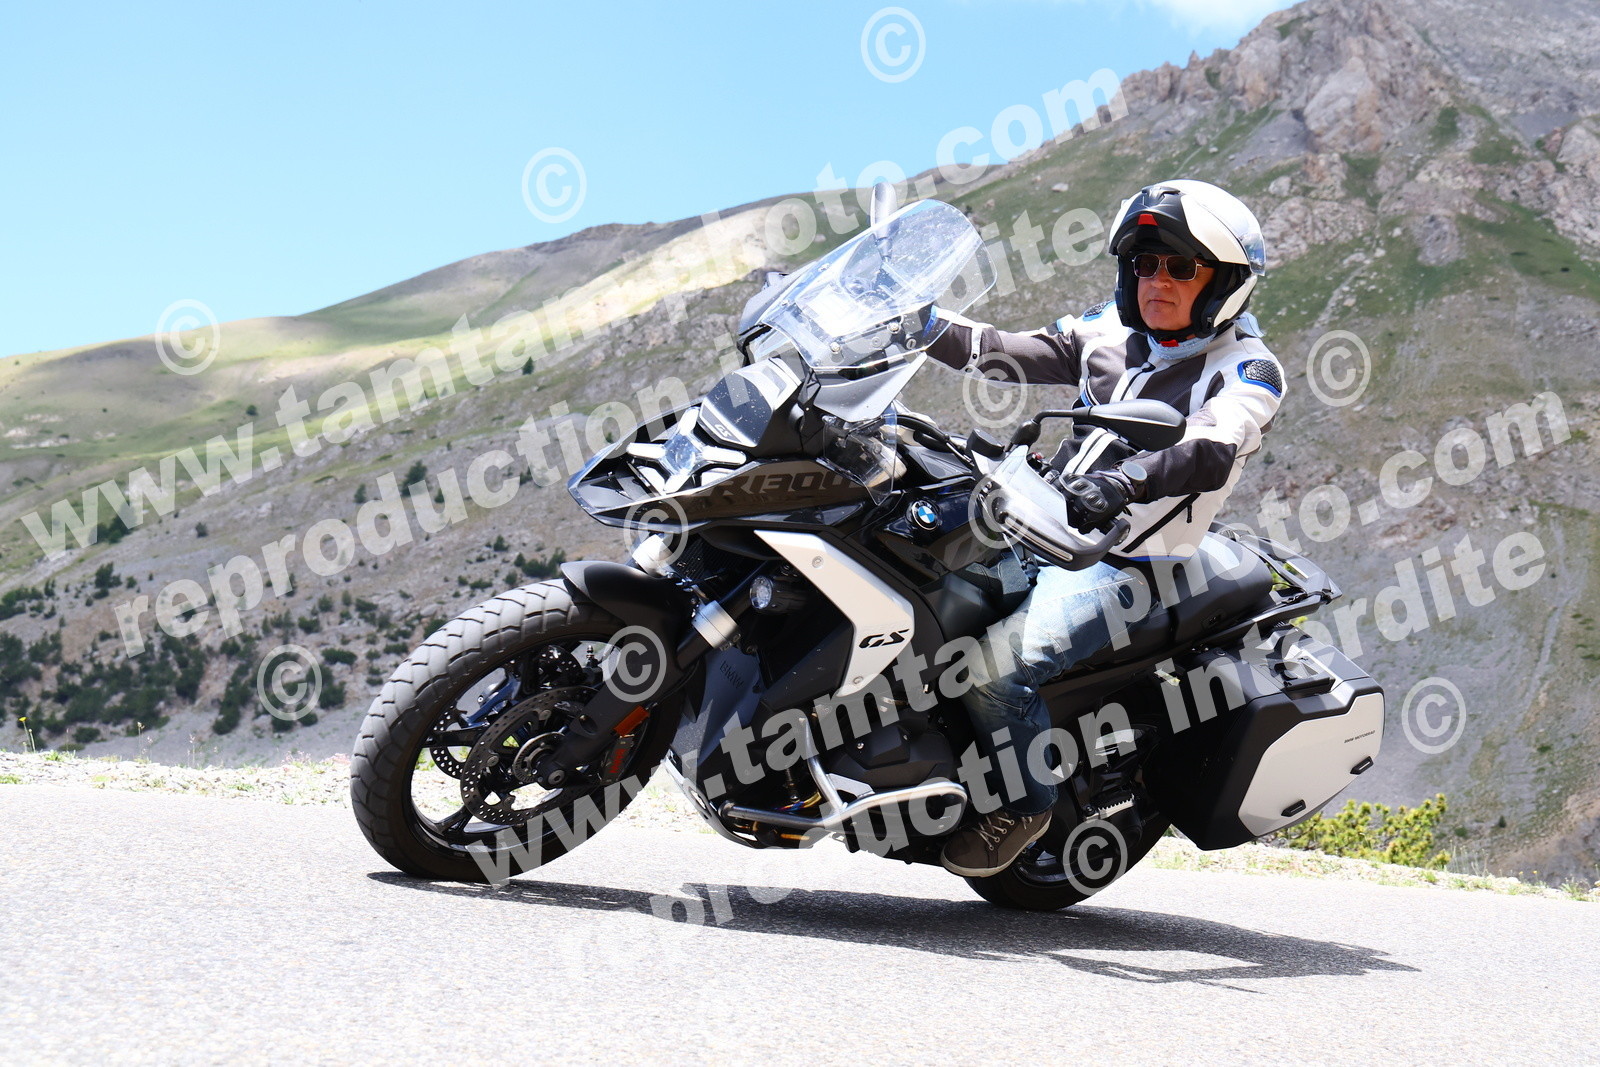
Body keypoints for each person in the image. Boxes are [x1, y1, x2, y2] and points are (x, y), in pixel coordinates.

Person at [926, 179, 1285, 877]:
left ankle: (1024, 807)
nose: (1157, 281)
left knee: (995, 670)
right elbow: (1003, 350)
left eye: (1181, 267)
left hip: (1124, 565)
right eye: (1145, 264)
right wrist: (911, 324)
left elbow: (1210, 447)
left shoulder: (1247, 370)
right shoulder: (1110, 332)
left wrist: (1125, 481)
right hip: (1035, 523)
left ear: (1225, 282)